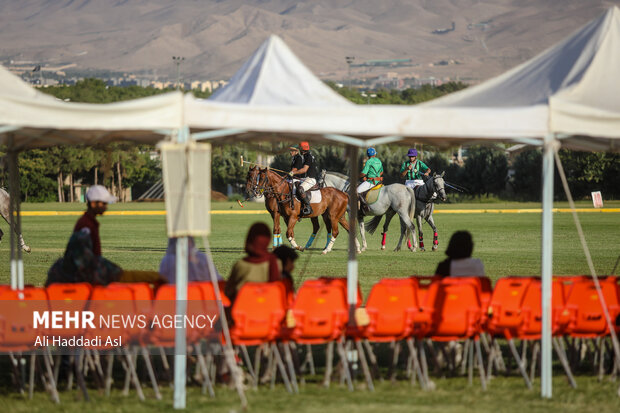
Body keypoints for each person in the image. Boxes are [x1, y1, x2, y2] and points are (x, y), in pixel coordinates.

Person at [225, 222, 283, 303]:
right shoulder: (276, 263)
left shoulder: (240, 265)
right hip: (270, 310)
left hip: (242, 310)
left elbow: (228, 291)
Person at [74, 185, 117, 257]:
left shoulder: (91, 222)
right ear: (93, 204)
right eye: (103, 203)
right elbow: (82, 256)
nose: (106, 207)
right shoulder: (86, 225)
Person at [289, 141, 318, 216]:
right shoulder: (304, 156)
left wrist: (293, 173)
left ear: (303, 149)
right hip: (305, 178)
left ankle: (308, 207)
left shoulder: (308, 157)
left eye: (300, 148)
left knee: (300, 189)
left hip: (311, 179)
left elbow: (304, 169)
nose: (299, 150)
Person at [357, 147, 383, 215]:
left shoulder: (369, 161)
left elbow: (363, 173)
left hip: (371, 182)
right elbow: (381, 172)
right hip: (379, 181)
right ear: (374, 154)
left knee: (357, 191)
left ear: (368, 155)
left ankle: (365, 206)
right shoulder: (378, 160)